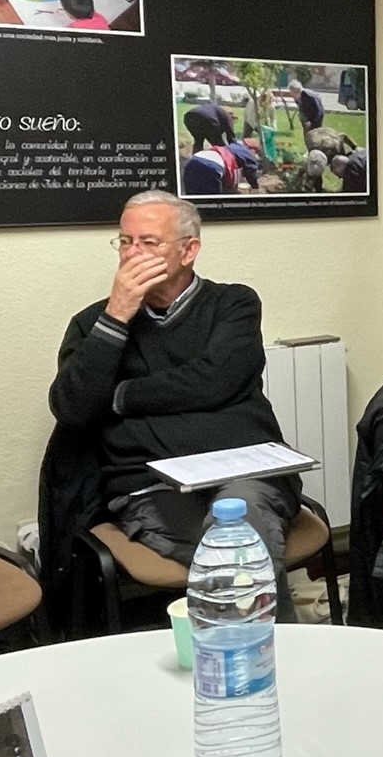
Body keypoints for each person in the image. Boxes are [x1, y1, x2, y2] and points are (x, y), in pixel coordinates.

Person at [46, 191, 301, 612]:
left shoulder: (233, 304)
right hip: (150, 486)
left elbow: (216, 380)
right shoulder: (93, 323)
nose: (132, 255)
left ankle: (249, 658)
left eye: (149, 243)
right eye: (125, 242)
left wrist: (122, 396)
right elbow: (74, 407)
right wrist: (117, 315)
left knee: (240, 526)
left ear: (189, 250)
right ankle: (254, 657)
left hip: (246, 470)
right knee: (228, 551)